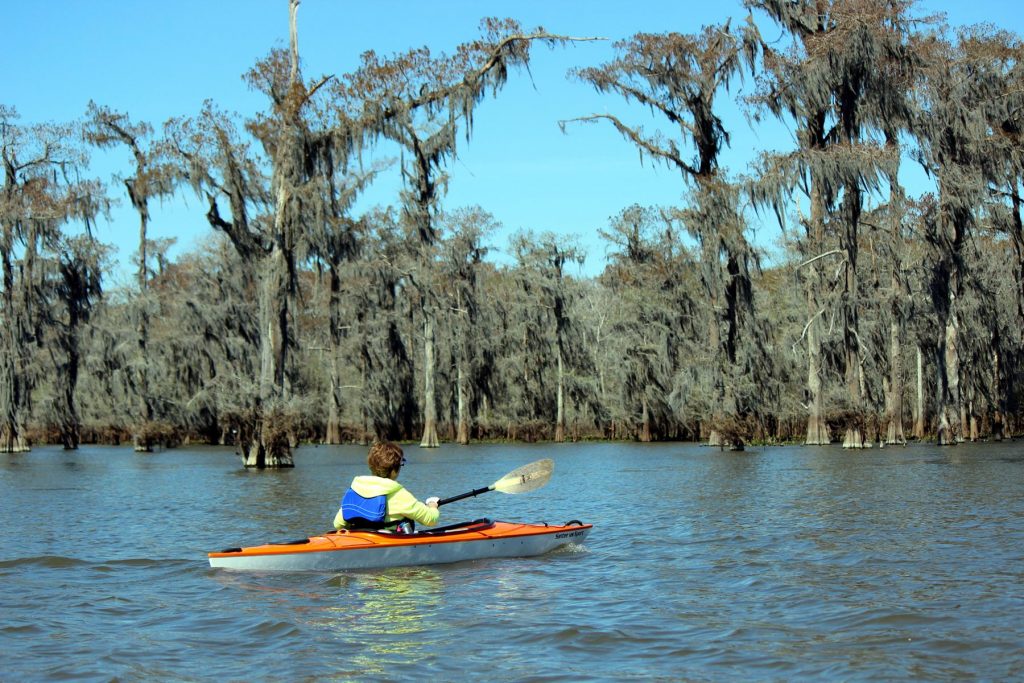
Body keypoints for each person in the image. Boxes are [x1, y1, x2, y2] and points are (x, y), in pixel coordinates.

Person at [333, 441, 439, 532]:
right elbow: (430, 519)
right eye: (400, 464)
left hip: (361, 541)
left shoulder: (355, 489)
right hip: (388, 544)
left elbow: (338, 524)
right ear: (393, 471)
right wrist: (433, 506)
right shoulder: (399, 495)